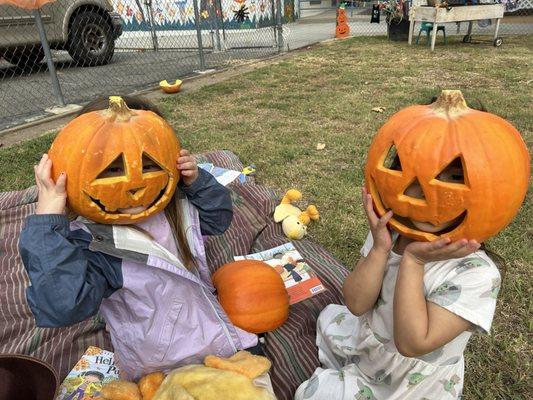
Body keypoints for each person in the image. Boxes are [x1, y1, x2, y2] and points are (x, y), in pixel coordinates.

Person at [18, 96, 259, 381]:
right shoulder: (93, 245)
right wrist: (48, 221)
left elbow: (219, 219)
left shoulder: (175, 209)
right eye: (113, 170)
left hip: (213, 328)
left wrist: (197, 182)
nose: (134, 185)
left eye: (148, 164)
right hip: (158, 361)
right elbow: (63, 305)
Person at [295, 165, 502, 399]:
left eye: (455, 179)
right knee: (327, 316)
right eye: (420, 178)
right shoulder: (391, 234)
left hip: (407, 384)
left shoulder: (476, 273)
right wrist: (380, 249)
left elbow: (413, 344)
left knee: (310, 394)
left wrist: (414, 261)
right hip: (369, 345)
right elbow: (355, 304)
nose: (433, 193)